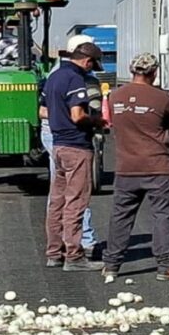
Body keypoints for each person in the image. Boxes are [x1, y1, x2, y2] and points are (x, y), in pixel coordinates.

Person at [102, 53, 169, 281]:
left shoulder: (115, 97)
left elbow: (112, 122)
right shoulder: (161, 98)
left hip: (126, 167)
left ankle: (112, 265)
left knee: (121, 217)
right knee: (161, 216)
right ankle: (167, 265)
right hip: (157, 166)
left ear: (132, 70)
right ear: (153, 73)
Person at [43, 41, 106, 271]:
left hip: (57, 145)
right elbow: (78, 115)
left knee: (56, 202)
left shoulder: (54, 77)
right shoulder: (76, 79)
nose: (91, 69)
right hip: (77, 146)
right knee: (76, 202)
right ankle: (74, 256)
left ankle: (53, 253)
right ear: (87, 61)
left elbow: (42, 110)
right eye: (92, 65)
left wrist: (58, 117)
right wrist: (98, 121)